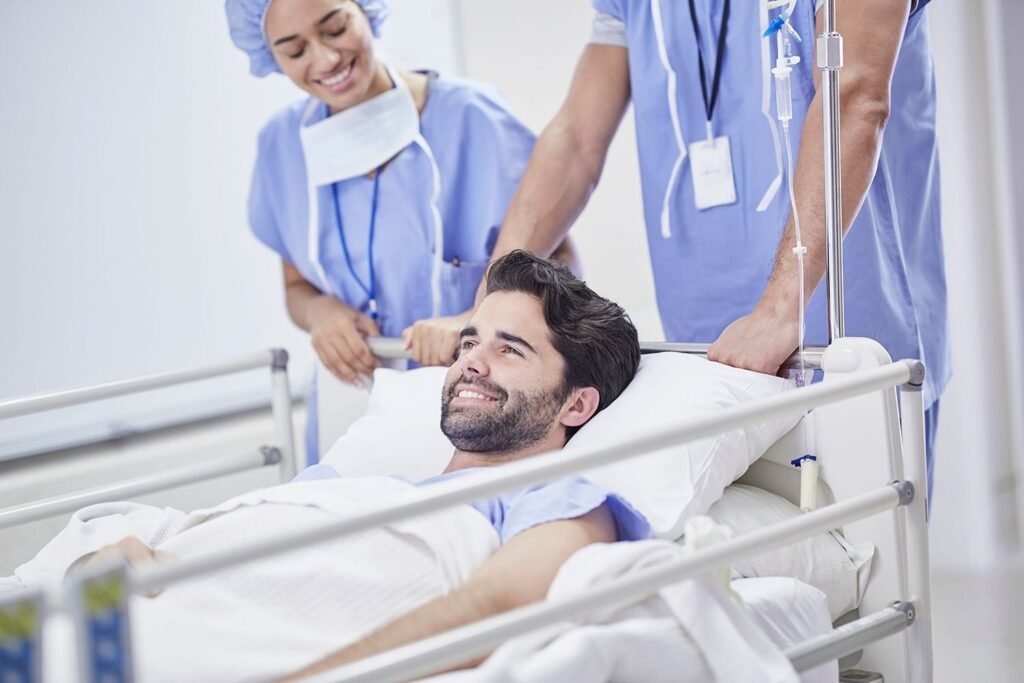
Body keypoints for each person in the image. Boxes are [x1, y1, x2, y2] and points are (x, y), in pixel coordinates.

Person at [63, 251, 647, 681]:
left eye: (509, 349)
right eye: (468, 344)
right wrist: (101, 563)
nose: (471, 363)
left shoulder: (550, 498)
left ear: (577, 403)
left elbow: (498, 608)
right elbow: (206, 545)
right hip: (125, 627)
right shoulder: (346, 487)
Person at [482, 0, 947, 500]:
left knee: (864, 555)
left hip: (837, 332)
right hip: (709, 351)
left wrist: (779, 309)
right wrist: (489, 302)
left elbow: (854, 100)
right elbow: (576, 139)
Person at [225, 0, 574, 464]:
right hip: (355, 406)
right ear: (270, 57)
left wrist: (476, 318)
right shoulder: (282, 147)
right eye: (294, 51)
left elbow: (561, 264)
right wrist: (322, 314)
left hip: (484, 403)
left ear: (366, 11)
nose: (325, 60)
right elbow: (296, 287)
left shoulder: (473, 119)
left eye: (335, 28)